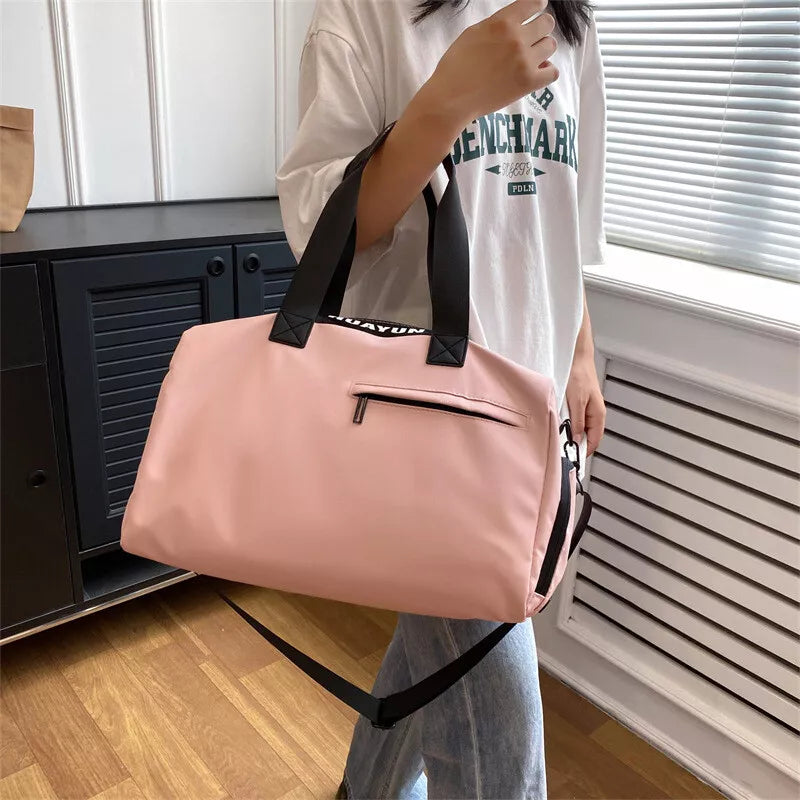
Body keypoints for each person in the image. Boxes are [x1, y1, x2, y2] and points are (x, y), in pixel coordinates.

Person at [276, 0, 608, 796]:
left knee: (435, 661)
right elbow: (321, 232)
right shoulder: (363, 14)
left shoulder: (574, 24)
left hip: (532, 416)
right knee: (501, 744)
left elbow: (559, 221)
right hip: (419, 425)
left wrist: (582, 354)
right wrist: (445, 103)